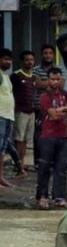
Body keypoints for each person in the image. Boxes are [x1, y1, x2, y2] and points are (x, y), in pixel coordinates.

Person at [37, 68, 67, 209]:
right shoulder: (45, 96)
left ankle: (59, 197)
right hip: (48, 136)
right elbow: (53, 116)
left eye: (58, 79)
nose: (55, 82)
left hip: (63, 136)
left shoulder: (64, 94)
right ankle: (42, 196)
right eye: (52, 79)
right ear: (48, 80)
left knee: (61, 168)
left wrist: (61, 110)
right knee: (44, 167)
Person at [0, 49, 13, 187]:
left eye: (9, 59)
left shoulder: (6, 76)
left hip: (8, 115)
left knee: (3, 148)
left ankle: (1, 176)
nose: (8, 62)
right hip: (1, 115)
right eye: (5, 59)